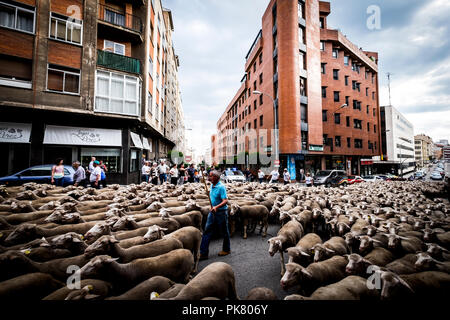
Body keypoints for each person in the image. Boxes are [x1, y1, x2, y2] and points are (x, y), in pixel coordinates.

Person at [199, 170, 231, 260]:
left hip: (221, 212)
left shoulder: (221, 187)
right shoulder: (212, 185)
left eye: (211, 176)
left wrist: (216, 207)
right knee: (207, 231)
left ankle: (226, 249)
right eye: (209, 176)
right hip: (212, 212)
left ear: (216, 177)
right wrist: (209, 193)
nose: (209, 178)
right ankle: (203, 253)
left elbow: (225, 200)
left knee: (224, 232)